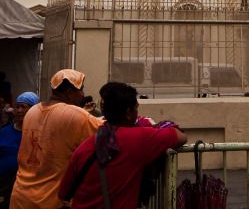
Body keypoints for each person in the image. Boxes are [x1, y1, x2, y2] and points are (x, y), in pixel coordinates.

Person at [58, 82, 186, 209]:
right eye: (136, 108)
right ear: (128, 113)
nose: (137, 112)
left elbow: (64, 193)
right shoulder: (141, 138)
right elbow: (180, 137)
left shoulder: (84, 148)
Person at [10, 69, 103, 209]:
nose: (83, 94)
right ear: (68, 93)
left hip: (20, 196)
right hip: (48, 201)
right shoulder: (75, 115)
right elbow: (108, 131)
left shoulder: (32, 111)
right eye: (81, 89)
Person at [0, 91, 39, 209]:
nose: (18, 110)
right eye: (17, 106)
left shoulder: (38, 135)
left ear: (34, 110)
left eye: (23, 107)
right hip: (1, 189)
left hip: (28, 191)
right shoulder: (4, 132)